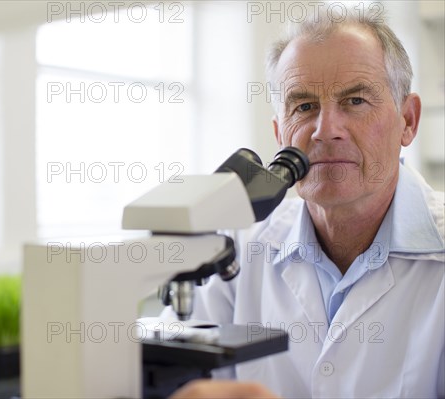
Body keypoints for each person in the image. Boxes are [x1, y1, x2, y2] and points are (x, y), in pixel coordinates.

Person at [169, 6, 444, 399]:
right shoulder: (239, 251)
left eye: (355, 101)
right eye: (304, 106)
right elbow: (172, 370)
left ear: (408, 120)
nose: (325, 130)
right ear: (280, 133)